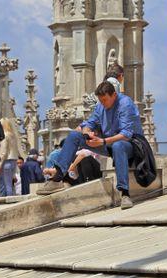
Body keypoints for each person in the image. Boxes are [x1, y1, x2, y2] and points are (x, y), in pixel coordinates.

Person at [44, 80, 143, 209]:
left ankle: (124, 193)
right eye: (100, 100)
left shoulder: (125, 103)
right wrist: (86, 134)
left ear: (114, 95)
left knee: (119, 145)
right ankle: (58, 176)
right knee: (74, 136)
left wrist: (102, 141)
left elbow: (126, 134)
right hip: (108, 143)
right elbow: (89, 123)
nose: (102, 103)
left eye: (105, 100)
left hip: (131, 145)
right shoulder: (101, 106)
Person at [0, 117, 22, 197]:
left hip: (6, 161)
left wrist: (0, 163)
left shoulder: (4, 135)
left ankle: (8, 199)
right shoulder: (13, 135)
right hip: (13, 161)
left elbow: (3, 151)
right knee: (8, 182)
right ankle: (5, 197)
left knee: (6, 183)